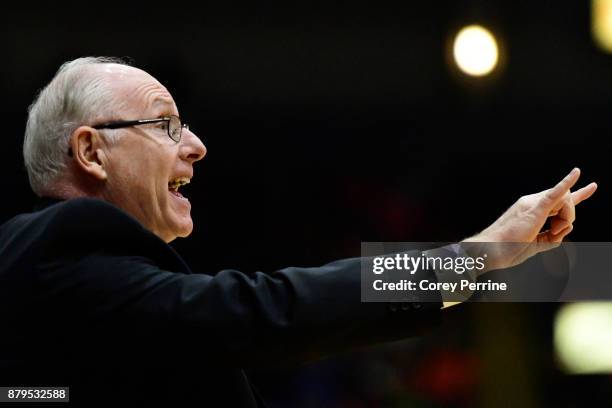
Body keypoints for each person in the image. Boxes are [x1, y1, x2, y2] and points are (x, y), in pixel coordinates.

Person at [0, 57, 597, 407]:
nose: (196, 147)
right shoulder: (62, 245)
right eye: (165, 125)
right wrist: (478, 255)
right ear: (91, 152)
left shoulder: (69, 286)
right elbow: (260, 312)